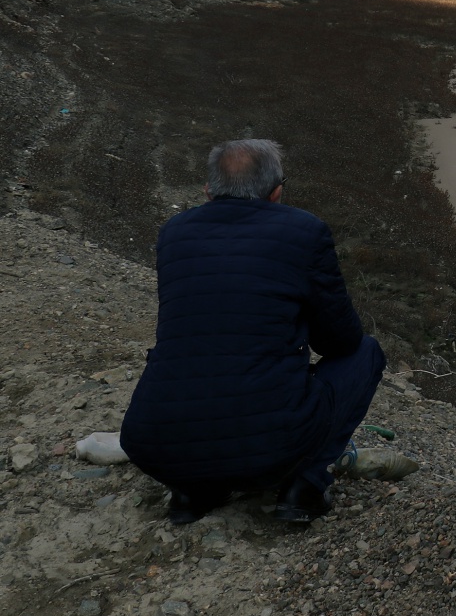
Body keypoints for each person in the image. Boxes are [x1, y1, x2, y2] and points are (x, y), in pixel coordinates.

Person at [122, 139, 385, 525]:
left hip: (154, 445)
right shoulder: (305, 231)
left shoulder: (174, 233)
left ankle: (193, 492)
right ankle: (305, 487)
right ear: (277, 192)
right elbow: (340, 341)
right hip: (268, 447)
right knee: (365, 353)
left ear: (208, 192)